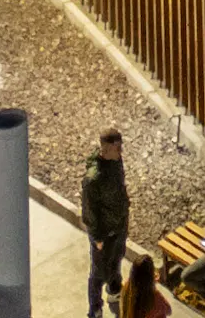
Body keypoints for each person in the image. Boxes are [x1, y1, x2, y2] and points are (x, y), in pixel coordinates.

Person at [81, 129, 133, 318]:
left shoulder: (116, 161)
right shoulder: (94, 178)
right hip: (104, 233)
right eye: (117, 147)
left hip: (118, 226)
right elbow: (89, 211)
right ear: (105, 148)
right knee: (98, 273)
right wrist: (97, 238)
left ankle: (114, 290)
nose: (121, 151)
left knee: (117, 259)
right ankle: (95, 308)